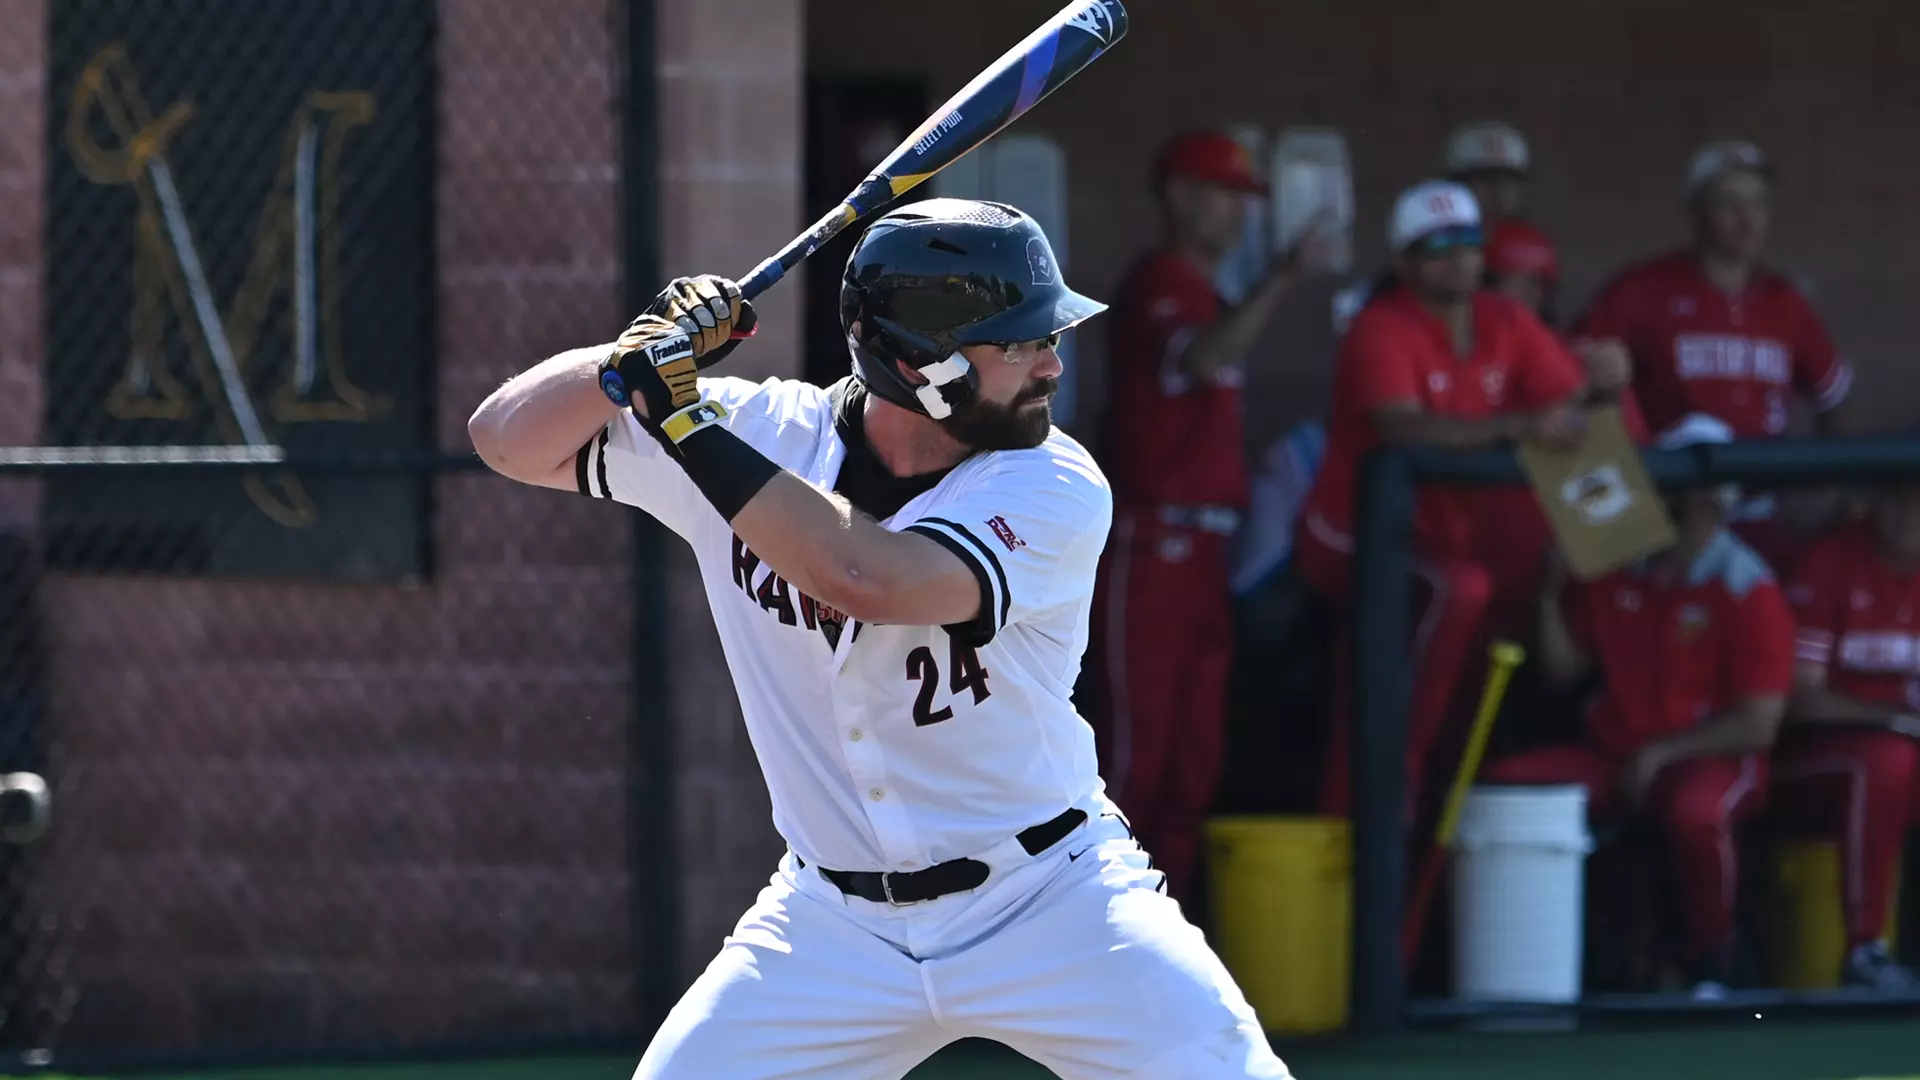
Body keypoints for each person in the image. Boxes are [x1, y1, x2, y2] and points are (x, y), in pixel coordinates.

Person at [467, 198, 1292, 1079]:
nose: (1052, 365)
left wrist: (683, 423)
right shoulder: (764, 433)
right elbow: (504, 440)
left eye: (1047, 338)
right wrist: (622, 360)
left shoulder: (1055, 481)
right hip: (831, 925)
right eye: (1018, 345)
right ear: (918, 362)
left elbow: (867, 577)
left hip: (1049, 897)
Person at [1293, 179, 1590, 818]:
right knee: (1455, 600)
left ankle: (1419, 810)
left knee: (1474, 620)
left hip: (1442, 536)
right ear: (1405, 262)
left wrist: (1599, 377)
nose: (1457, 256)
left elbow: (1569, 405)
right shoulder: (1381, 325)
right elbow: (1402, 428)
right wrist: (1521, 425)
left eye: (1468, 241)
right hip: (1356, 536)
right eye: (1436, 246)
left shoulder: (1504, 319)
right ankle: (1378, 805)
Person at [1481, 414, 1796, 999]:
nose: (1671, 503)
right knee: (1512, 790)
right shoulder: (1621, 565)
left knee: (1695, 813)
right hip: (1617, 752)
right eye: (1666, 488)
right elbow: (1562, 671)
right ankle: (1541, 971)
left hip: (1713, 759)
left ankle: (1715, 961)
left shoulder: (1747, 585)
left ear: (1715, 506)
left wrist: (1662, 753)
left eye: (1686, 495)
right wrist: (1550, 591)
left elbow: (1758, 724)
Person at [1088, 130, 1317, 902]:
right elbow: (1201, 358)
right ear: (1179, 196)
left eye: (1242, 198)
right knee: (1133, 759)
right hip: (1152, 543)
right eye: (1222, 194)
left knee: (1194, 767)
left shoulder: (1213, 294)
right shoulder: (1160, 280)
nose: (1236, 212)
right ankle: (1089, 937)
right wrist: (1283, 278)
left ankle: (1161, 936)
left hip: (1209, 553)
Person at [1576, 139, 1855, 569]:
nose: (1748, 220)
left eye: (1758, 204)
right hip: (1671, 514)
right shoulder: (1643, 290)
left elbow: (1834, 399)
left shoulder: (1785, 302)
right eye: (1729, 204)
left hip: (1758, 515)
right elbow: (1570, 374)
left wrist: (1818, 493)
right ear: (1696, 211)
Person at [1773, 479, 1920, 990]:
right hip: (1807, 763)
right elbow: (1799, 699)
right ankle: (1865, 949)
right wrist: (1890, 718)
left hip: (1902, 760)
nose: (1909, 519)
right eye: (1898, 500)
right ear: (1874, 501)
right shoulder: (1830, 561)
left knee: (1897, 760)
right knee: (1886, 760)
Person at [1442, 120, 1531, 223]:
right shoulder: (1439, 232)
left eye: (1509, 180)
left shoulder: (1529, 233)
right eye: (1486, 178)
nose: (1498, 190)